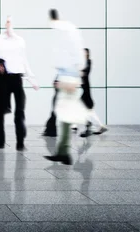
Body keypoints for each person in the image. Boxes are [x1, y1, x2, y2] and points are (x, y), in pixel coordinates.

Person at [0, 16, 39, 151]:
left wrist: (31, 79)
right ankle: (1, 143)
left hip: (17, 79)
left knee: (19, 111)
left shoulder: (20, 41)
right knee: (0, 114)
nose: (8, 23)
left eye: (10, 21)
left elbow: (24, 60)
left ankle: (20, 143)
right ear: (4, 24)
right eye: (7, 21)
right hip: (2, 80)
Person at [45, 9, 87, 165]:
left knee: (66, 112)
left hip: (69, 76)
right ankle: (63, 152)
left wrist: (72, 78)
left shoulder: (62, 30)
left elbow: (71, 53)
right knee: (64, 113)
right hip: (68, 75)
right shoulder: (68, 29)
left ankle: (64, 153)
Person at [79, 48, 108, 137]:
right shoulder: (83, 62)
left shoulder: (88, 62)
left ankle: (90, 125)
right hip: (84, 87)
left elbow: (85, 73)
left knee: (85, 107)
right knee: (88, 109)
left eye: (84, 52)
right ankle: (98, 126)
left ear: (87, 53)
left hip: (86, 88)